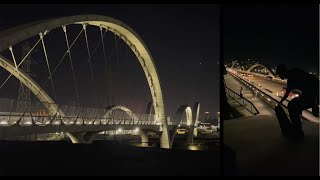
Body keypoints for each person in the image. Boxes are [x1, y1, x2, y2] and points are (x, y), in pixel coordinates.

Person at [276, 64, 319, 138]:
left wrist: (315, 104)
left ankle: (298, 130)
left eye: (279, 74)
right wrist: (280, 103)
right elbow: (286, 94)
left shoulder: (295, 72)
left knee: (293, 105)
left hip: (316, 92)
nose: (279, 76)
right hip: (307, 94)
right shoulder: (290, 81)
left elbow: (314, 81)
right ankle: (297, 128)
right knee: (293, 104)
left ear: (283, 72)